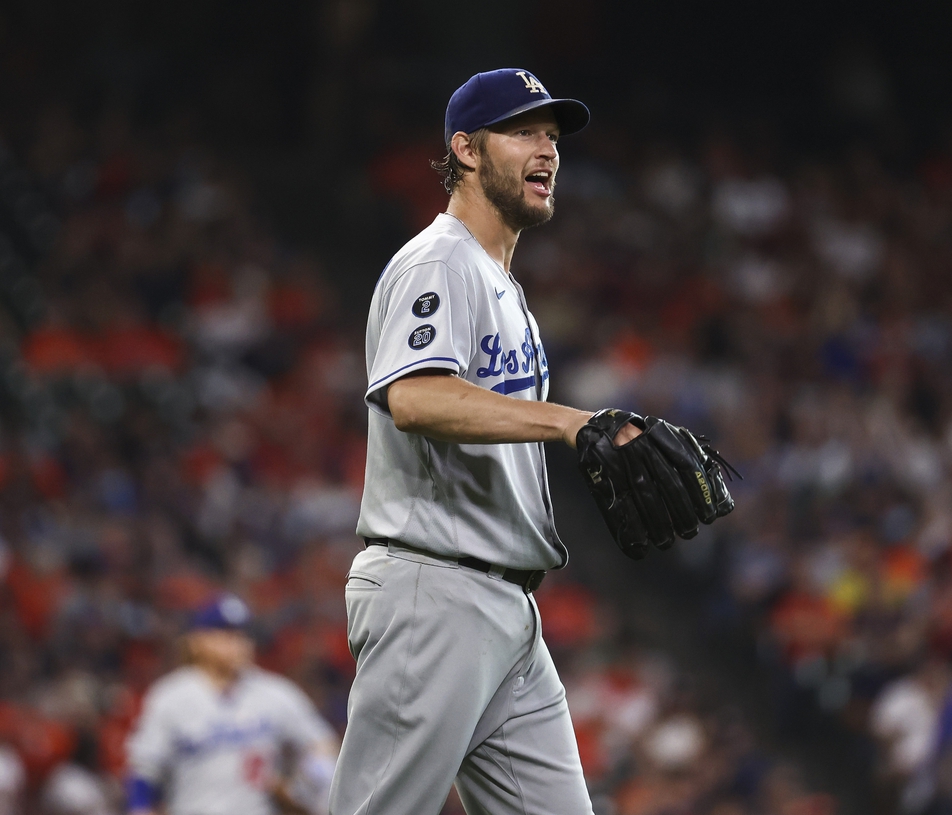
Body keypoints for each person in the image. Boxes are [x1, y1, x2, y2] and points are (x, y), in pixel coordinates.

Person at [329, 68, 635, 815]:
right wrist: (570, 421)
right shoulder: (440, 261)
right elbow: (415, 396)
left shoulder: (503, 285)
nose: (548, 150)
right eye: (524, 131)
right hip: (433, 590)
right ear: (464, 149)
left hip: (506, 610)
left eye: (553, 136)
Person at [125, 594, 338, 815]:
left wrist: (305, 785)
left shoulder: (275, 693)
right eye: (226, 634)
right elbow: (144, 770)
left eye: (242, 634)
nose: (238, 643)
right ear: (197, 642)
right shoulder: (170, 697)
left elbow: (322, 745)